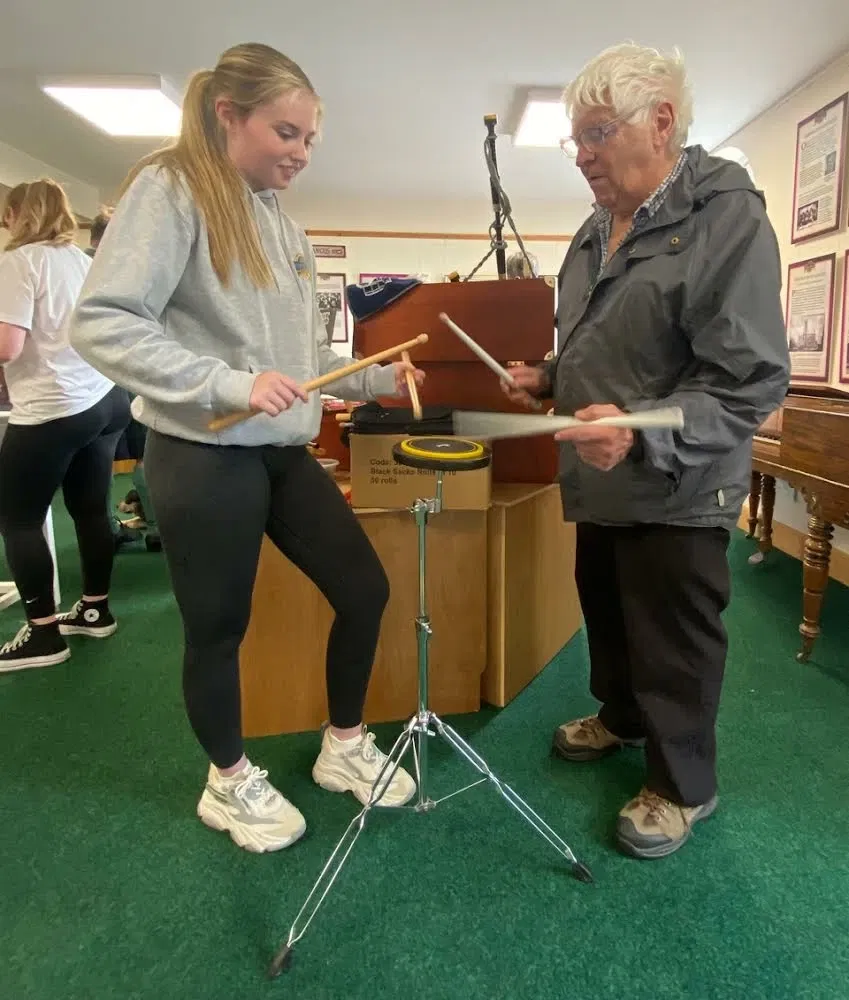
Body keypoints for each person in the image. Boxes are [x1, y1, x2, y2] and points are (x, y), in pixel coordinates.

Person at [70, 42, 425, 854]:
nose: (299, 154)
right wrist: (228, 383)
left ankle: (342, 745)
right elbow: (102, 319)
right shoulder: (171, 188)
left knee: (363, 590)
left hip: (279, 451)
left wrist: (372, 382)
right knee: (218, 628)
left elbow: (298, 365)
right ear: (229, 114)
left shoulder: (281, 223)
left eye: (309, 141)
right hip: (201, 451)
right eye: (286, 133)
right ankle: (227, 783)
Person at [503, 42, 790, 860]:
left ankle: (682, 786)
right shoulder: (598, 229)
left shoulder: (724, 218)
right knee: (609, 613)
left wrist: (637, 429)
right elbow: (611, 343)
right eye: (576, 139)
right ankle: (623, 718)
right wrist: (550, 376)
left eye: (596, 132)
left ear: (660, 121)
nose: (583, 155)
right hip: (601, 480)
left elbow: (747, 380)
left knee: (673, 635)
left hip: (678, 481)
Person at [0, 179, 130, 672]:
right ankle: (94, 609)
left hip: (53, 407)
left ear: (19, 214)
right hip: (102, 400)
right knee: (89, 509)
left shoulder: (19, 262)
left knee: (17, 518)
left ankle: (44, 636)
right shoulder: (81, 261)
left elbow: (7, 347)